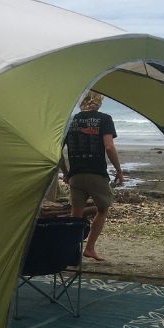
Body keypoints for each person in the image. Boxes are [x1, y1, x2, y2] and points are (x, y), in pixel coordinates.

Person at [59, 91, 124, 261]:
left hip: (76, 176)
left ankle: (70, 253)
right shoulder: (105, 119)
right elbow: (109, 147)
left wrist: (65, 172)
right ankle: (89, 248)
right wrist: (118, 170)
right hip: (96, 173)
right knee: (102, 209)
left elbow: (57, 150)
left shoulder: (70, 120)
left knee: (75, 214)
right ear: (99, 101)